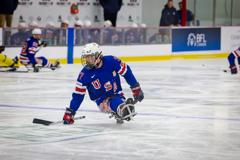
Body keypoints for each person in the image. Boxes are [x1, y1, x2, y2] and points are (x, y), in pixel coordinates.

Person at [63, 43, 144, 124]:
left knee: (116, 100)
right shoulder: (84, 75)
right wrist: (71, 111)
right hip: (102, 101)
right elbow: (78, 95)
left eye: (90, 57)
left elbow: (126, 72)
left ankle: (122, 108)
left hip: (117, 93)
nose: (88, 60)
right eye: (86, 57)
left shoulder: (112, 61)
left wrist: (136, 88)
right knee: (113, 103)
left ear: (98, 56)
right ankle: (122, 109)